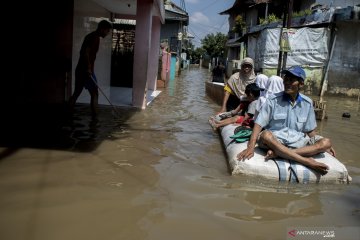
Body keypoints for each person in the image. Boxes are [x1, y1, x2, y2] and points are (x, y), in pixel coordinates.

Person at [237, 66, 335, 176]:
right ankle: (306, 161)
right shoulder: (273, 100)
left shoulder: (307, 103)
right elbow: (258, 125)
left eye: (291, 80)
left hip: (297, 143)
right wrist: (250, 147)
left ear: (301, 84)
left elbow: (310, 130)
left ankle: (279, 154)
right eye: (285, 79)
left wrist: (321, 145)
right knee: (265, 134)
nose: (287, 83)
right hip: (274, 142)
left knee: (327, 142)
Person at [68, 20, 113, 117]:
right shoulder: (94, 37)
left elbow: (84, 52)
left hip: (80, 69)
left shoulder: (91, 36)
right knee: (94, 93)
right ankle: (95, 119)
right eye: (107, 31)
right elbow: (85, 52)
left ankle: (67, 114)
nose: (108, 33)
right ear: (102, 29)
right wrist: (88, 68)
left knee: (77, 93)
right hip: (86, 70)